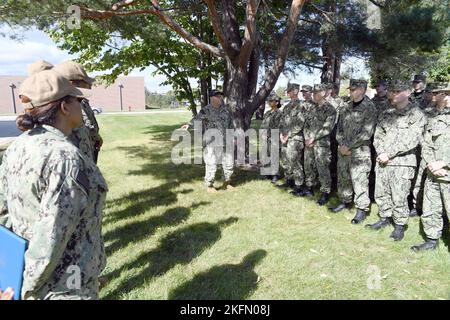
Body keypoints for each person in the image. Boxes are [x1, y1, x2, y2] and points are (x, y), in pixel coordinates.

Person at [0, 70, 108, 299]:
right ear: (65, 107)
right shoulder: (65, 159)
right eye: (79, 100)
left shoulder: (18, 147)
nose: (83, 105)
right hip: (63, 286)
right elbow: (50, 238)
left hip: (31, 275)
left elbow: (3, 213)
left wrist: (11, 276)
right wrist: (24, 289)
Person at [367, 80, 426, 241]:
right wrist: (380, 152)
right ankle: (384, 218)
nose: (392, 94)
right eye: (391, 91)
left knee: (399, 196)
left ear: (407, 92)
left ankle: (400, 225)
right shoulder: (386, 113)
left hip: (402, 162)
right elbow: (377, 135)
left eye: (397, 91)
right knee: (381, 192)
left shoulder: (417, 114)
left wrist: (389, 153)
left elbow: (413, 139)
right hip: (383, 160)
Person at [331, 79, 378, 224]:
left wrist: (349, 146)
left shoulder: (369, 108)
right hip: (343, 149)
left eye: (354, 89)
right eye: (350, 89)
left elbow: (367, 132)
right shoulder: (345, 107)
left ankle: (361, 210)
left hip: (359, 151)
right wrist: (341, 144)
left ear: (362, 90)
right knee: (343, 177)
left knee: (359, 180)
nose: (350, 92)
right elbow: (338, 128)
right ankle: (345, 201)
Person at [411, 83, 450, 251]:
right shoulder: (432, 116)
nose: (447, 97)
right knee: (431, 208)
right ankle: (432, 240)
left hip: (446, 172)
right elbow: (425, 142)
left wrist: (444, 163)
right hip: (433, 171)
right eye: (444, 94)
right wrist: (430, 164)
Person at [181, 89, 234, 193]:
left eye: (221, 96)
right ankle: (210, 185)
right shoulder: (206, 110)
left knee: (228, 163)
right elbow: (197, 118)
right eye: (217, 96)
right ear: (211, 98)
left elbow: (230, 124)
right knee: (211, 163)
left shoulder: (226, 110)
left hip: (225, 141)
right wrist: (188, 125)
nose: (220, 98)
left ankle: (226, 183)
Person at [53, 61, 103, 164]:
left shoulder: (78, 101)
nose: (89, 85)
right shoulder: (71, 103)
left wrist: (96, 137)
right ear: (71, 83)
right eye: (84, 82)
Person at [301, 84, 337, 205]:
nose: (314, 95)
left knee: (323, 168)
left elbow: (327, 128)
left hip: (321, 144)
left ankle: (325, 192)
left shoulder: (330, 109)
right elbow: (306, 124)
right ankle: (309, 188)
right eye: (314, 93)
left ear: (322, 93)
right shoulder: (312, 108)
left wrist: (313, 138)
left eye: (316, 93)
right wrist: (307, 138)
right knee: (308, 166)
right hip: (309, 143)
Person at [277, 83, 306, 195]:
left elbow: (300, 123)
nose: (287, 92)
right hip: (284, 137)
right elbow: (282, 121)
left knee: (295, 161)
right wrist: (281, 134)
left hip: (295, 138)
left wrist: (288, 135)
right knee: (286, 160)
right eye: (287, 91)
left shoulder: (302, 105)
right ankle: (288, 180)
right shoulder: (287, 106)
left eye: (289, 90)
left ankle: (299, 185)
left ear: (295, 91)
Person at [260, 92, 282, 183]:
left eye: (271, 101)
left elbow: (279, 126)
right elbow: (263, 125)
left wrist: (268, 135)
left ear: (276, 102)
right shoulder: (267, 113)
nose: (269, 102)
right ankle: (268, 173)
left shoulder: (279, 113)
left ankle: (275, 175)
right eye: (268, 101)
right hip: (265, 138)